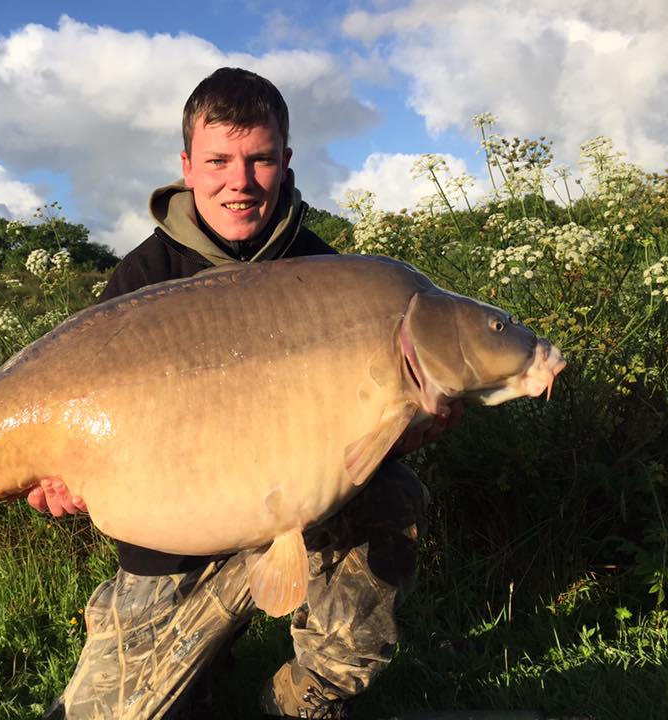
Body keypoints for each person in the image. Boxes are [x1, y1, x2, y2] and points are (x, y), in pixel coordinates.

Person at [30, 67, 459, 719]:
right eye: (219, 160)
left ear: (285, 162)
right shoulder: (142, 278)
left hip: (303, 515)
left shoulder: (332, 274)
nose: (240, 180)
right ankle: (201, 666)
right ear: (187, 165)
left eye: (259, 159)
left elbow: (359, 434)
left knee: (394, 497)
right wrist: (58, 481)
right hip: (176, 542)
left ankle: (308, 694)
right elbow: (86, 435)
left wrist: (410, 428)